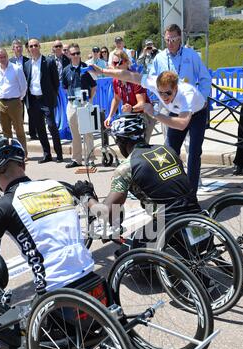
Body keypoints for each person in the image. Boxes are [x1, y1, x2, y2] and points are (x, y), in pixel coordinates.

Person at [0, 137, 95, 294]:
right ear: (23, 164)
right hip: (90, 275)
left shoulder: (1, 209)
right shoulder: (57, 185)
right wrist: (87, 195)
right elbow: (107, 215)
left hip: (55, 289)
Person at [91, 65, 207, 194]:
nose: (163, 97)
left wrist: (155, 114)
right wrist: (102, 71)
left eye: (168, 93)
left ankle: (191, 194)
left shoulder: (187, 94)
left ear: (176, 88)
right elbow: (129, 75)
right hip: (176, 112)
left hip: (197, 114)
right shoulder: (153, 82)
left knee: (194, 154)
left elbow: (182, 124)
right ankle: (171, 188)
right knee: (169, 153)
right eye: (160, 92)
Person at [76, 114, 200, 232]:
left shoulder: (126, 167)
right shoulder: (167, 150)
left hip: (169, 224)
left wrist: (86, 196)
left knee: (125, 251)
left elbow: (106, 211)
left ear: (121, 141)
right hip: (196, 214)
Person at [104, 49, 155, 152]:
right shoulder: (115, 80)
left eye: (120, 62)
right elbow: (116, 98)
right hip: (130, 115)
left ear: (127, 63)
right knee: (123, 143)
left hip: (144, 115)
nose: (117, 65)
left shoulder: (134, 78)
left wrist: (131, 108)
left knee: (140, 149)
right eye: (114, 63)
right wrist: (110, 116)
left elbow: (142, 103)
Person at [24, 38, 63, 164]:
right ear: (28, 49)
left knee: (52, 126)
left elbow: (56, 82)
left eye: (36, 45)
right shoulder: (27, 65)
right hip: (33, 101)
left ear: (39, 46)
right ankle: (47, 154)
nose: (33, 48)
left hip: (46, 100)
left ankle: (59, 154)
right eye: (31, 46)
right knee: (40, 129)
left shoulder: (49, 62)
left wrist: (52, 97)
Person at [61, 43, 97, 168]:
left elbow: (94, 86)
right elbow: (65, 87)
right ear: (69, 55)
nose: (76, 56)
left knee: (88, 133)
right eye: (73, 54)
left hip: (85, 103)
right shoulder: (66, 70)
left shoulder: (86, 68)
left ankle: (90, 158)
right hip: (72, 104)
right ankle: (76, 159)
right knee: (74, 133)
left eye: (78, 53)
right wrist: (73, 99)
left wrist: (89, 100)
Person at [0, 48, 28, 158]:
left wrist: (19, 98)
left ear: (7, 56)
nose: (3, 59)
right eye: (0, 57)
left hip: (14, 101)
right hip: (1, 102)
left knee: (19, 129)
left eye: (4, 56)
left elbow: (23, 86)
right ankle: (9, 153)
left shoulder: (16, 68)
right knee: (5, 130)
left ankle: (23, 153)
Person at [9, 39, 38, 141]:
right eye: (16, 47)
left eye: (20, 47)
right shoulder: (10, 62)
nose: (19, 49)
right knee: (18, 113)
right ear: (13, 49)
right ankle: (19, 133)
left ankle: (33, 132)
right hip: (16, 91)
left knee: (31, 111)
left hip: (28, 90)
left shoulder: (27, 60)